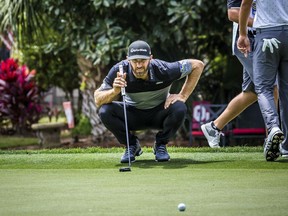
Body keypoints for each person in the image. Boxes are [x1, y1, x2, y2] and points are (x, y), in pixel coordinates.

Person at [94, 40, 204, 163]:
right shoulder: (119, 70)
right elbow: (97, 99)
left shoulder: (163, 69)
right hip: (132, 114)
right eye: (135, 61)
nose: (139, 65)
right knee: (105, 111)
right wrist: (114, 91)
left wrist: (182, 96)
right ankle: (131, 145)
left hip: (159, 114)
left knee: (179, 107)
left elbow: (197, 65)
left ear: (150, 59)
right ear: (128, 59)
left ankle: (160, 145)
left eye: (143, 61)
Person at [201, 0, 259, 148]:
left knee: (252, 92)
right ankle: (277, 137)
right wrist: (263, 24)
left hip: (265, 40)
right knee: (272, 87)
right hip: (247, 42)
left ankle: (213, 127)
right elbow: (233, 13)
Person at [237, 0, 287, 161]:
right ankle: (286, 146)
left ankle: (273, 127)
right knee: (286, 92)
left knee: (264, 88)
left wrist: (243, 34)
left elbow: (245, 4)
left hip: (266, 34)